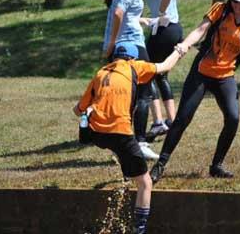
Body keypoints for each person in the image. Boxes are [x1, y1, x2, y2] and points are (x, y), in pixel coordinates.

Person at [150, 0, 240, 183]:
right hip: (202, 72)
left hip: (225, 76)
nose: (239, 5)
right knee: (182, 119)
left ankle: (216, 165)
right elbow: (201, 29)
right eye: (236, 0)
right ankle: (160, 165)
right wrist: (184, 45)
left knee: (233, 118)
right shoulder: (220, 10)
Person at [73, 42, 186, 234]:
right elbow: (165, 66)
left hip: (97, 134)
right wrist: (179, 51)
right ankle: (139, 229)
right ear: (133, 58)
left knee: (120, 151)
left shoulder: (100, 73)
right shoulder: (135, 67)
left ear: (114, 57)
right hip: (121, 134)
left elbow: (77, 110)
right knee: (145, 183)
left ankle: (127, 173)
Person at [102, 0, 159, 159]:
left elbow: (123, 14)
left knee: (128, 98)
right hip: (132, 46)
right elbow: (118, 13)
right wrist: (113, 43)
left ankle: (123, 144)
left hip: (125, 45)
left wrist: (141, 20)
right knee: (144, 95)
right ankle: (141, 143)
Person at [138, 0, 190, 140]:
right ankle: (173, 121)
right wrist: (171, 1)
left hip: (163, 28)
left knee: (148, 73)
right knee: (162, 76)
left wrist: (161, 10)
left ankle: (158, 122)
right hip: (175, 28)